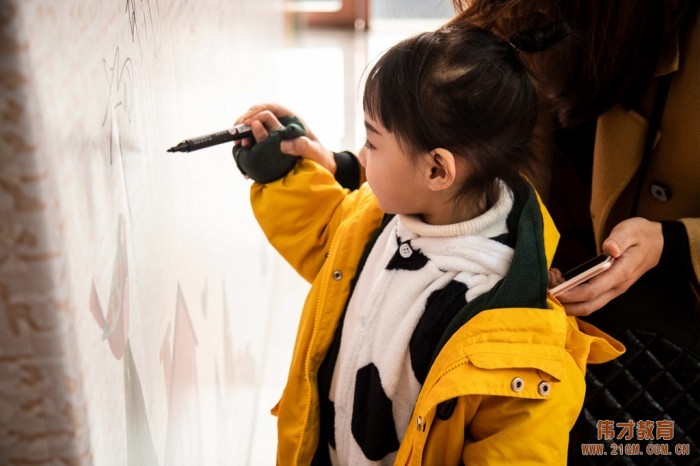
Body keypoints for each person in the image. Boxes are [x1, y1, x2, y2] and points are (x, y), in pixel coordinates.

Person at [232, 23, 622, 465]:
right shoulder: (381, 218)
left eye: (372, 141)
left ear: (438, 170)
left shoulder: (516, 340)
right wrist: (283, 172)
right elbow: (328, 236)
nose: (361, 156)